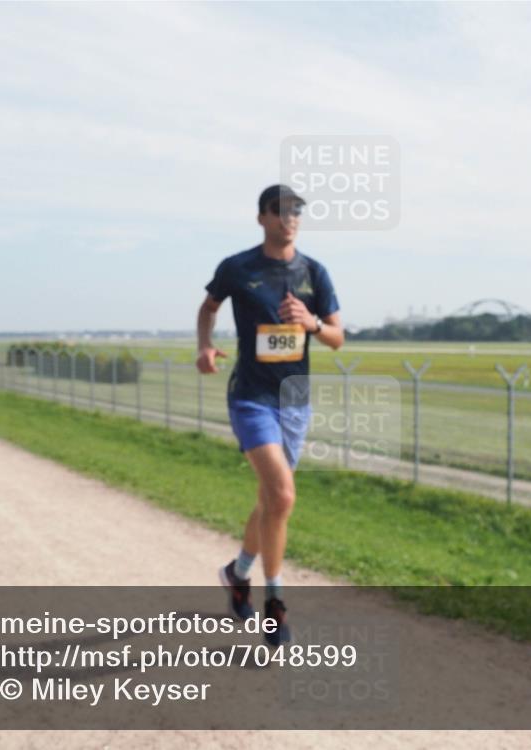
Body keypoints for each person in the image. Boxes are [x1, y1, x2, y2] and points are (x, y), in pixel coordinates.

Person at [197, 184, 344, 645]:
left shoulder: (314, 272)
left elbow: (338, 337)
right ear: (261, 218)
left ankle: (237, 573)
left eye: (296, 211)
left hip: (295, 401)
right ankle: (275, 602)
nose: (290, 218)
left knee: (271, 502)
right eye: (280, 211)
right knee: (282, 495)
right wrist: (205, 345)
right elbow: (209, 308)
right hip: (251, 397)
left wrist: (311, 322)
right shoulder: (238, 267)